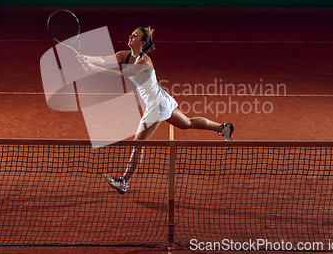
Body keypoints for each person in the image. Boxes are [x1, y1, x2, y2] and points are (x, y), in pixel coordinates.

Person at [78, 27, 234, 194]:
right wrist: (87, 59)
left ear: (143, 42)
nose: (130, 36)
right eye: (131, 34)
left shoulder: (143, 62)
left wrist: (92, 69)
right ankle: (223, 128)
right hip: (160, 99)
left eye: (135, 35)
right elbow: (103, 59)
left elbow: (120, 75)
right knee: (186, 123)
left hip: (156, 106)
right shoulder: (125, 55)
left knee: (139, 142)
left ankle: (123, 181)